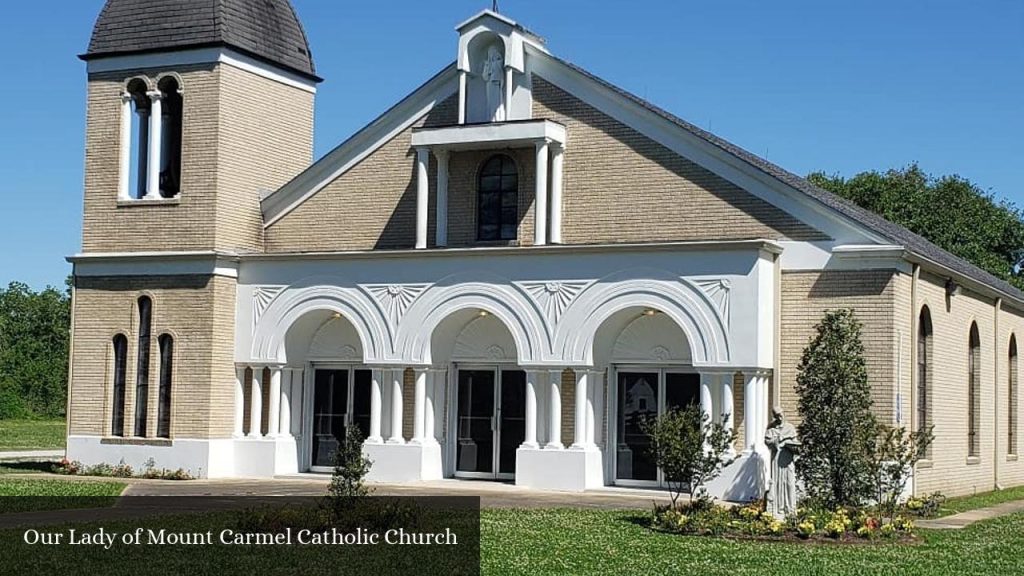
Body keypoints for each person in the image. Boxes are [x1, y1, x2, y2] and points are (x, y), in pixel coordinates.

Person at [764, 406, 800, 519]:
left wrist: (794, 447)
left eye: (781, 415)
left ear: (783, 414)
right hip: (776, 459)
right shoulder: (771, 428)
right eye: (777, 416)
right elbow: (767, 442)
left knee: (789, 483)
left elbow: (796, 443)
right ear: (774, 416)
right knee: (777, 483)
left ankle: (790, 510)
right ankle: (777, 509)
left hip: (787, 459)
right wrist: (777, 440)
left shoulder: (790, 427)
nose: (780, 418)